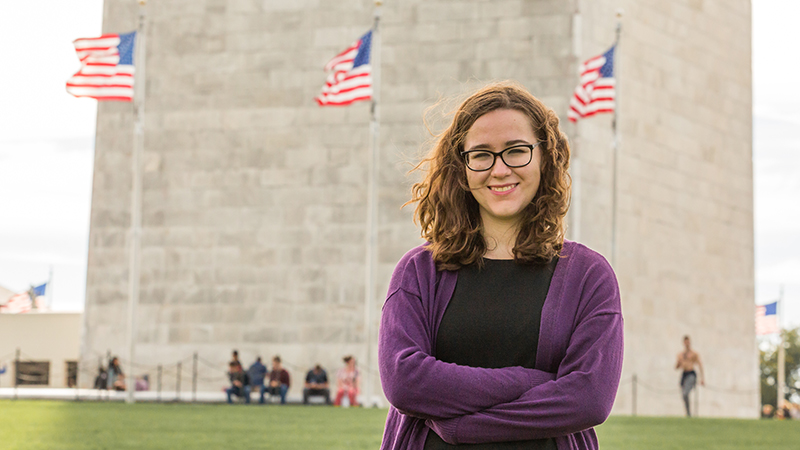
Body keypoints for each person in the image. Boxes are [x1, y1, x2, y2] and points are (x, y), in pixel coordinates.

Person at [377, 81, 624, 450]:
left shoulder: (588, 276)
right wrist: (534, 382)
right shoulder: (419, 271)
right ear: (461, 167)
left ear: (545, 157)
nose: (500, 169)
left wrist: (463, 429)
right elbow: (404, 382)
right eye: (481, 154)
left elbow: (589, 398)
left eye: (516, 151)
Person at [675, 335, 704, 417]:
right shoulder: (680, 355)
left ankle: (688, 414)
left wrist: (702, 378)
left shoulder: (694, 354)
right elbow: (676, 367)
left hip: (691, 374)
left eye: (688, 342)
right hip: (684, 374)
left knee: (685, 393)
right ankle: (688, 413)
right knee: (684, 395)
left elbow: (700, 365)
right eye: (685, 342)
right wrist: (679, 363)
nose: (687, 343)